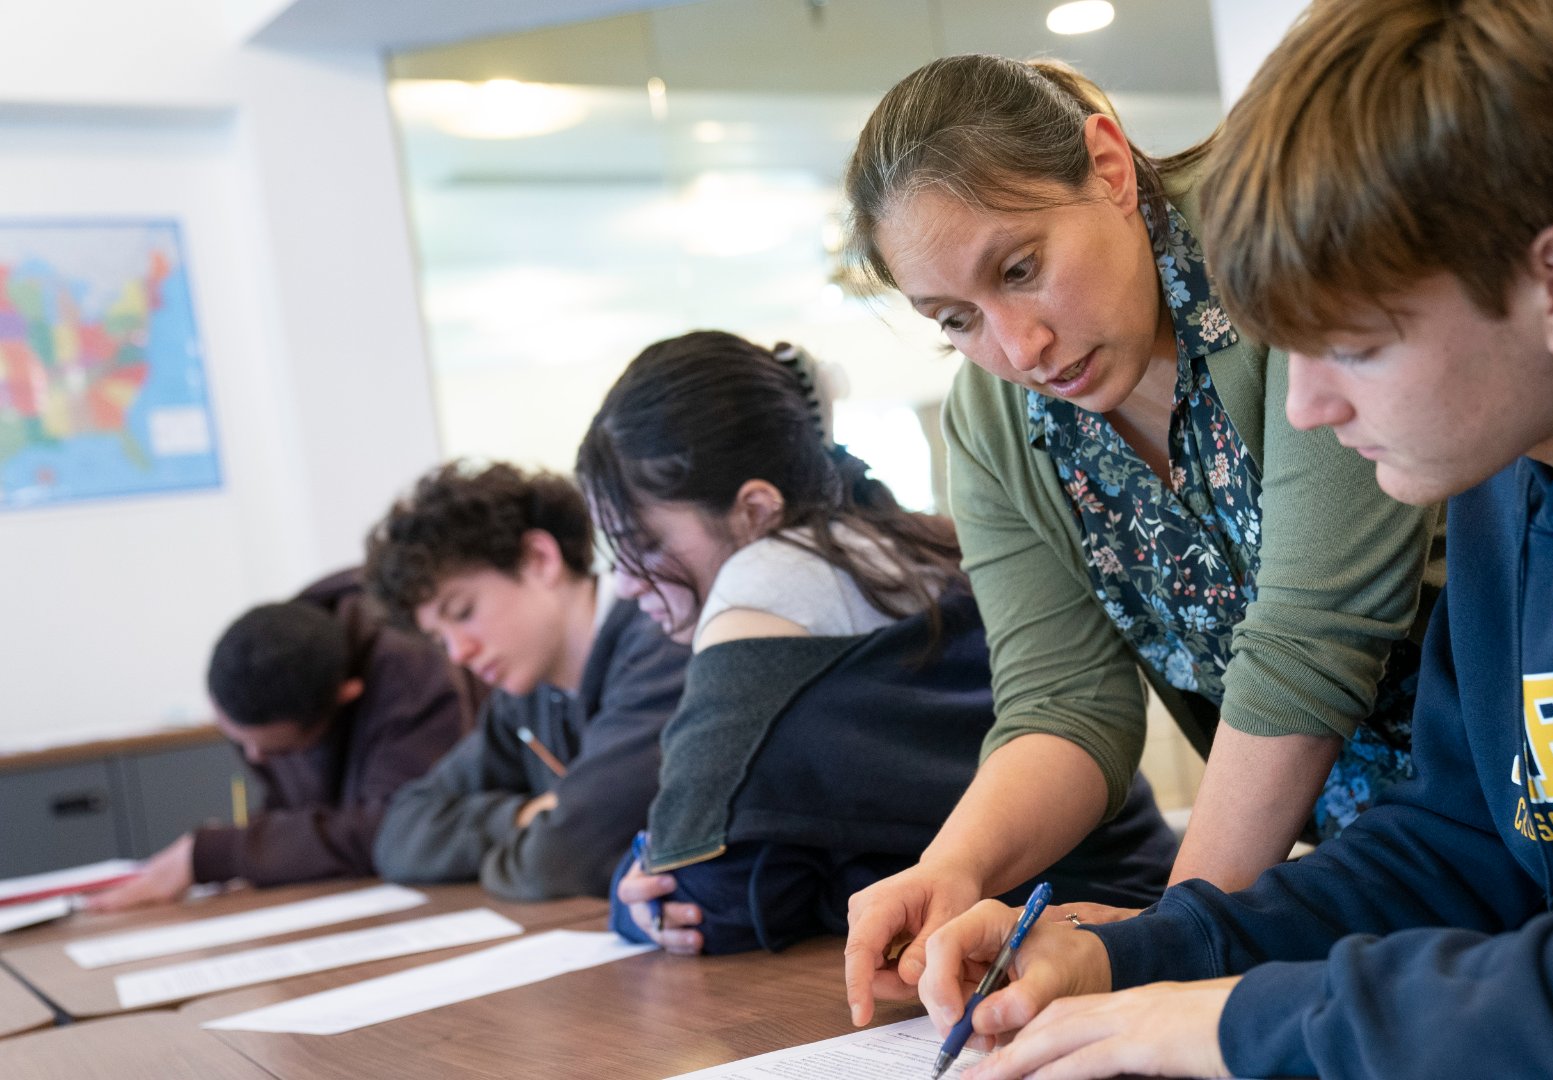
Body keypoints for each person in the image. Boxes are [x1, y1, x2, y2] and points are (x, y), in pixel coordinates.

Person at [914, 1, 1553, 1077]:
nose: (1305, 410)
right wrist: (1139, 956)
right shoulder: (1513, 464)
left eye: (1351, 345)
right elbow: (1461, 844)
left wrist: (1230, 1023)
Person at [837, 53, 1443, 1021]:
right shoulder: (994, 421)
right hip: (1346, 882)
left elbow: (1315, 637)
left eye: (1022, 269)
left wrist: (1165, 944)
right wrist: (952, 869)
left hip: (1512, 813)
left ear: (1110, 168)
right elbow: (1062, 702)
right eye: (956, 319)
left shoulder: (1277, 254)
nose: (1017, 349)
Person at [578, 331, 1177, 955]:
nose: (624, 584)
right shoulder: (895, 541)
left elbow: (707, 901)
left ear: (754, 510)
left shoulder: (761, 581)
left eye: (644, 546)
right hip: (1135, 903)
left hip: (1076, 945)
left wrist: (638, 890)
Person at [367, 462, 689, 901]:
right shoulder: (524, 697)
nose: (458, 653)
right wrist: (521, 817)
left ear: (540, 559)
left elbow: (558, 863)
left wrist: (540, 839)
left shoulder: (662, 645)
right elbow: (400, 834)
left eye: (463, 612)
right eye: (439, 638)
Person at [89, 569, 482, 911]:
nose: (254, 757)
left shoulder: (413, 669)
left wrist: (222, 854)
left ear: (347, 695)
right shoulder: (274, 654)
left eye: (278, 750)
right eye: (237, 739)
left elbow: (397, 826)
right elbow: (295, 808)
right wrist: (262, 852)